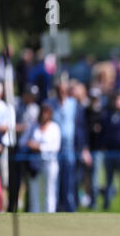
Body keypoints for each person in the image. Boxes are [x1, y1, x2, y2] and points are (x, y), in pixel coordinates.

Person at [47, 80, 91, 212]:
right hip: (54, 149)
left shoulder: (74, 104)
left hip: (70, 149)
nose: (62, 93)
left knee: (70, 181)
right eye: (59, 90)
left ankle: (69, 207)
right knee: (55, 181)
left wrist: (84, 148)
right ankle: (56, 207)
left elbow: (81, 128)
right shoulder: (50, 104)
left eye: (64, 90)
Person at [23, 103, 61, 213]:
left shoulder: (54, 127)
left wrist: (39, 147)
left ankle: (50, 214)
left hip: (50, 163)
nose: (44, 115)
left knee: (49, 191)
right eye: (43, 111)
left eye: (47, 112)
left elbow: (55, 147)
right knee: (34, 191)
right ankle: (35, 214)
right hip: (35, 164)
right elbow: (23, 142)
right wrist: (30, 144)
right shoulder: (33, 126)